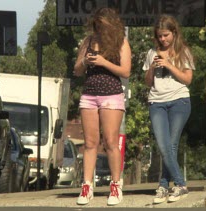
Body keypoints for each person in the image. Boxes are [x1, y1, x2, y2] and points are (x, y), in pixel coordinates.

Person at [73, 7, 131, 206]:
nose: (98, 30)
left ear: (111, 25)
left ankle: (115, 185)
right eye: (96, 26)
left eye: (102, 26)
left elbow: (125, 71)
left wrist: (103, 61)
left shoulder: (121, 42)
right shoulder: (88, 41)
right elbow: (77, 70)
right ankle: (87, 186)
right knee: (90, 143)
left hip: (111, 95)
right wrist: (85, 61)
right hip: (89, 95)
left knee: (110, 142)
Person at [142, 15, 195, 204]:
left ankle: (165, 186)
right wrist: (152, 67)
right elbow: (148, 82)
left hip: (179, 101)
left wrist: (169, 64)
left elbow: (188, 79)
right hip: (157, 102)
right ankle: (177, 184)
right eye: (159, 36)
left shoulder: (183, 52)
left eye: (166, 35)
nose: (163, 39)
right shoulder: (151, 53)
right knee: (163, 146)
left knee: (170, 146)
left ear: (174, 33)